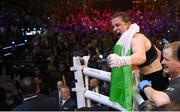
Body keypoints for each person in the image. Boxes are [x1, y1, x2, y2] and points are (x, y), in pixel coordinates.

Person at [107, 11, 169, 100]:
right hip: (154, 77)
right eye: (113, 26)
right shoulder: (134, 38)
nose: (114, 29)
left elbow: (141, 57)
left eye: (117, 25)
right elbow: (158, 52)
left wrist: (121, 60)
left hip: (155, 80)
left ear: (128, 24)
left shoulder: (136, 38)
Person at [138, 41, 180, 108]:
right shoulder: (172, 78)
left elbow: (161, 100)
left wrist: (146, 87)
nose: (162, 62)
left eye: (166, 59)